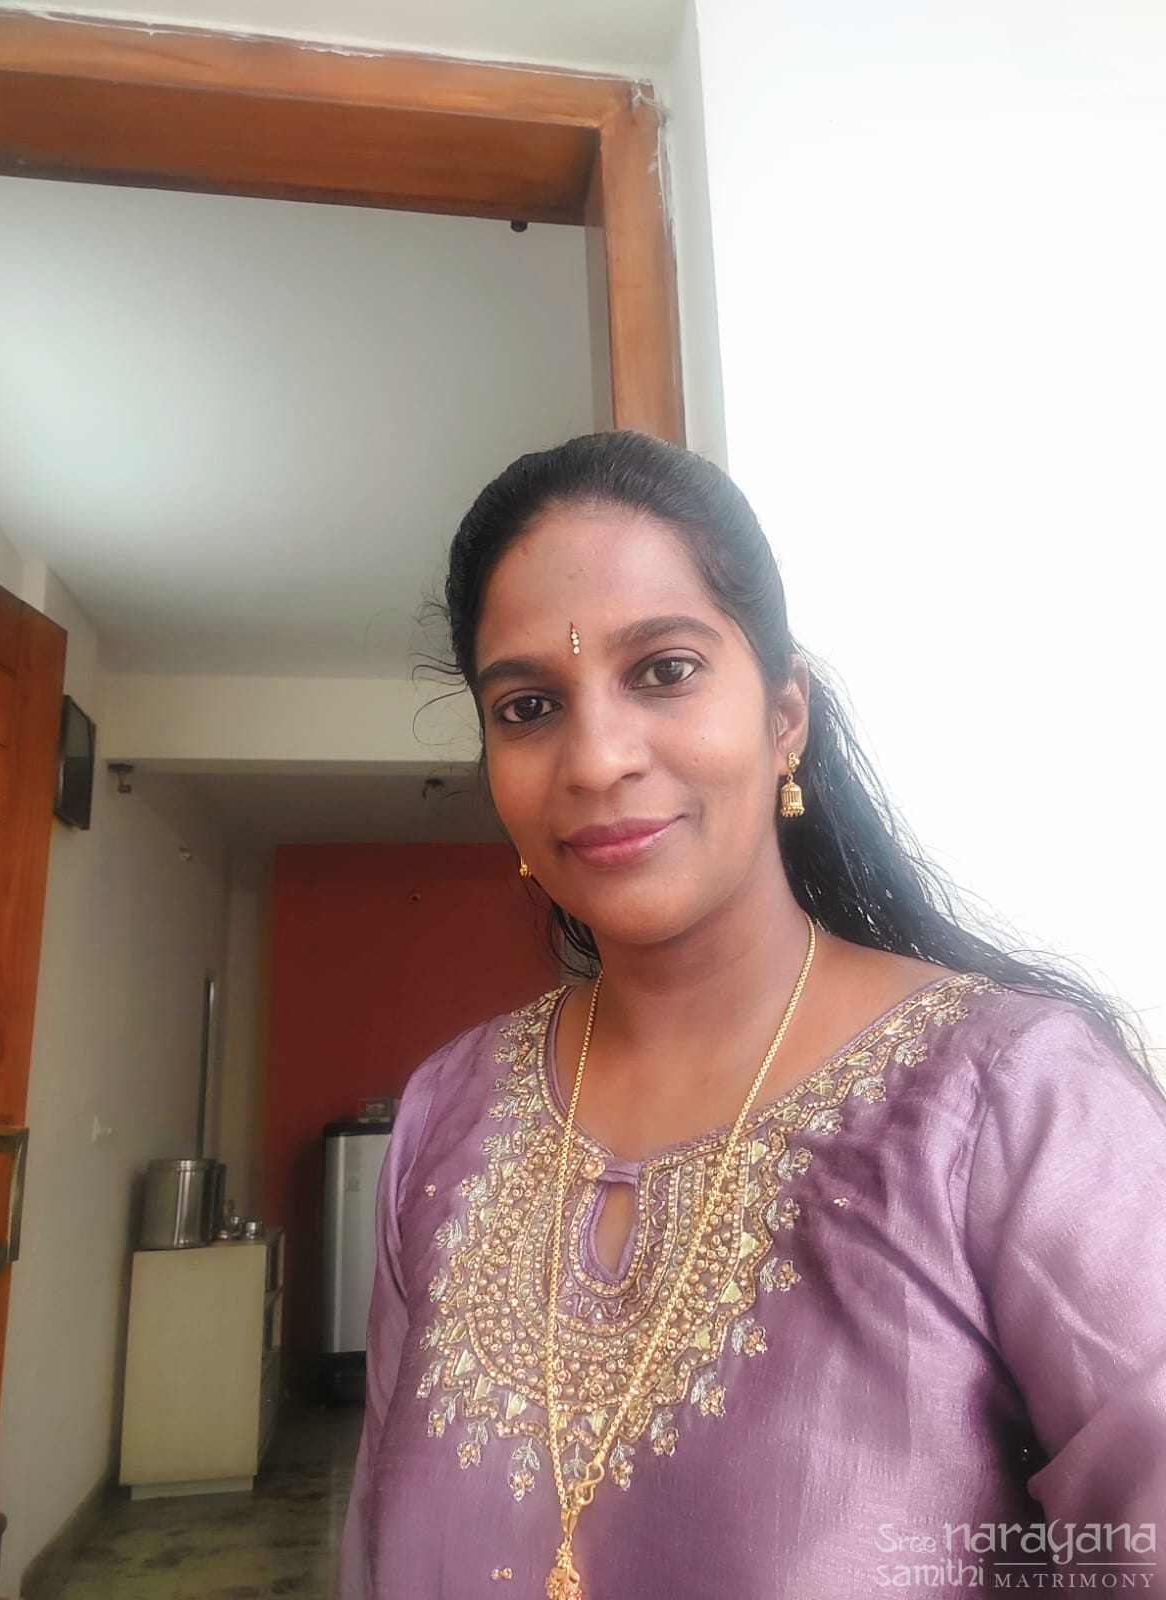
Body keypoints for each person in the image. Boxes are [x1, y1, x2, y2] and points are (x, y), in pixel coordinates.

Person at [337, 431, 1166, 1599]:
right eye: (528, 705)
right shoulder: (442, 1118)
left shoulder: (1017, 1102)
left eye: (664, 669)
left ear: (785, 718)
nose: (597, 757)